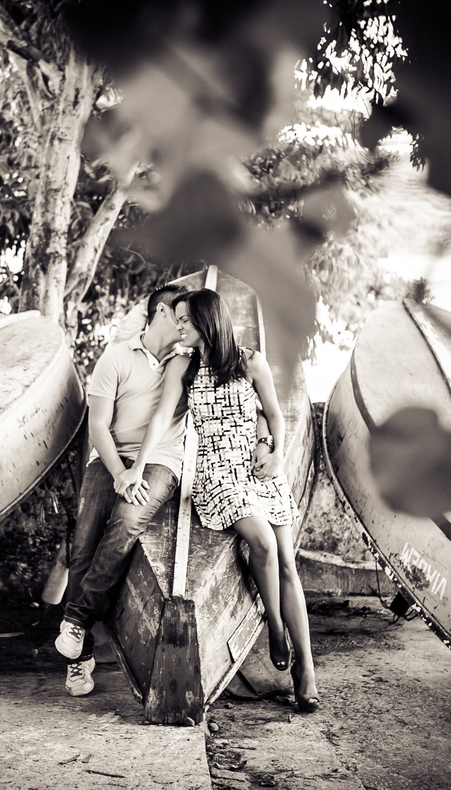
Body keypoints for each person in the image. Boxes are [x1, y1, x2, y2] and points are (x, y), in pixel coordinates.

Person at [122, 288, 320, 713]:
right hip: (218, 476)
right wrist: (138, 466)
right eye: (176, 319)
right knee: (263, 544)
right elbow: (160, 417)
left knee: (286, 560)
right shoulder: (183, 365)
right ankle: (276, 628)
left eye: (185, 320)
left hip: (260, 470)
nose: (178, 327)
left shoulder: (251, 362)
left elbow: (275, 412)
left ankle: (306, 669)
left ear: (207, 321)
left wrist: (275, 450)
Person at [54, 284, 191, 696]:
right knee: (84, 542)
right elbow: (98, 427)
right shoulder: (115, 357)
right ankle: (80, 660)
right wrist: (119, 473)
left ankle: (76, 620)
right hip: (111, 457)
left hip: (162, 459)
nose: (188, 325)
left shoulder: (187, 363)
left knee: (127, 521)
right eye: (182, 317)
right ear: (162, 313)